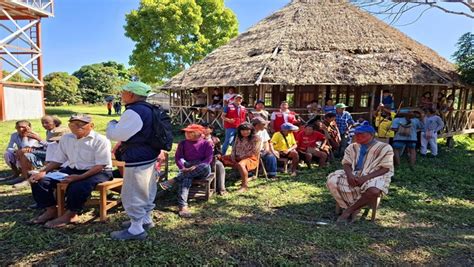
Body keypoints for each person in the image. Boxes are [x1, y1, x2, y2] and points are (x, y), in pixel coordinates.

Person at [29, 114, 113, 228]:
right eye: (73, 124)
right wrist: (43, 171)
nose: (77, 127)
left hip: (99, 171)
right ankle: (51, 209)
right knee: (40, 180)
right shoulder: (66, 138)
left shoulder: (100, 140)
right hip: (73, 169)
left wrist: (80, 177)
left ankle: (71, 214)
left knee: (77, 185)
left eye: (81, 124)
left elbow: (100, 165)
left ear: (91, 125)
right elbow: (58, 160)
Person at [106, 81, 159, 240]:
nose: (121, 95)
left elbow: (117, 135)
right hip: (149, 155)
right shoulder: (150, 109)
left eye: (123, 92)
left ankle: (136, 229)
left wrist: (112, 123)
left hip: (137, 157)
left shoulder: (134, 111)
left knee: (133, 192)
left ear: (131, 94)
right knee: (147, 189)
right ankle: (145, 219)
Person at [326, 122, 394, 223]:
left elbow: (385, 168)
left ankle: (349, 211)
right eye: (356, 134)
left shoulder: (385, 148)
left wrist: (365, 178)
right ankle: (349, 206)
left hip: (375, 174)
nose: (358, 136)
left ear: (371, 135)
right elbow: (346, 163)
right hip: (354, 173)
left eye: (362, 134)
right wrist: (350, 176)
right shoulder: (352, 147)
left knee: (374, 190)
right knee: (332, 180)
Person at [159, 124, 213, 217]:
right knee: (186, 179)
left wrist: (196, 166)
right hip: (187, 168)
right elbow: (178, 157)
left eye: (190, 132)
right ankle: (183, 206)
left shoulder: (206, 143)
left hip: (201, 169)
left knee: (204, 166)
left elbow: (208, 159)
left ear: (198, 133)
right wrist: (182, 167)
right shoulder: (183, 143)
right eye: (186, 132)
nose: (186, 134)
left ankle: (174, 180)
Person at [222, 123, 261, 192]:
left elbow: (255, 151)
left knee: (241, 164)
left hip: (250, 158)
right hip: (237, 156)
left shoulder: (256, 138)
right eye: (242, 130)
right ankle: (219, 180)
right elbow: (234, 148)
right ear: (239, 131)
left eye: (247, 130)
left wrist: (242, 157)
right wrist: (233, 156)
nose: (245, 132)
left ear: (251, 130)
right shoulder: (238, 137)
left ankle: (244, 186)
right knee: (219, 159)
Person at [2, 120, 42, 186]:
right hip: (19, 153)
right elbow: (9, 147)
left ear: (29, 128)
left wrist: (25, 136)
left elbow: (26, 148)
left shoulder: (34, 135)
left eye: (23, 127)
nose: (20, 129)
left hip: (33, 155)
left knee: (24, 154)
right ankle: (16, 173)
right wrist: (15, 151)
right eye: (18, 127)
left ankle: (26, 176)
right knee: (8, 154)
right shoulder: (14, 135)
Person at [200, 122, 227, 195]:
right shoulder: (197, 138)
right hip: (199, 160)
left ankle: (221, 188)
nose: (203, 130)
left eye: (205, 128)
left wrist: (217, 155)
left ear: (211, 130)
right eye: (202, 128)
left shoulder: (215, 139)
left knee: (219, 166)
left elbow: (219, 151)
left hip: (212, 159)